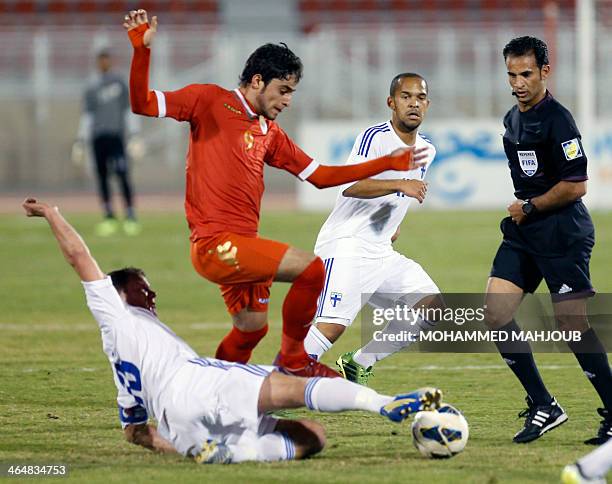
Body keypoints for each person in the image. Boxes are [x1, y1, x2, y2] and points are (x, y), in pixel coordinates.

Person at [22, 197, 443, 464]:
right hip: (200, 380)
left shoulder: (122, 364)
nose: (151, 291)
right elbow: (80, 258)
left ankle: (233, 452)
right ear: (122, 293)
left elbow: (135, 433)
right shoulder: (113, 312)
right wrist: (53, 214)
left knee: (312, 437)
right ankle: (383, 403)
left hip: (178, 423)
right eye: (142, 284)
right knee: (293, 388)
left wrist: (181, 444)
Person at [122, 10, 427, 378]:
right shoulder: (208, 100)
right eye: (283, 91)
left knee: (251, 329)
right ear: (256, 81)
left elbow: (322, 176)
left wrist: (386, 164)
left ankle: (216, 393)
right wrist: (141, 51)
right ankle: (296, 361)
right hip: (216, 244)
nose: (287, 101)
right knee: (310, 269)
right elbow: (143, 104)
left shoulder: (271, 134)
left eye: (292, 92)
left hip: (243, 248)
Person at [483, 36, 612, 444]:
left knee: (571, 326)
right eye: (511, 74)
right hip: (526, 232)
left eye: (526, 74)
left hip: (561, 232)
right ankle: (544, 404)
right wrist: (527, 213)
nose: (518, 82)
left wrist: (531, 208)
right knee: (495, 313)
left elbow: (577, 186)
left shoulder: (558, 120)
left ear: (544, 72)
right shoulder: (511, 119)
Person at [303, 73, 441, 385]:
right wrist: (400, 184)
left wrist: (392, 223)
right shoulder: (374, 138)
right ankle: (277, 386)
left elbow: (397, 198)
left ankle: (359, 362)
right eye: (406, 96)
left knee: (433, 309)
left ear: (428, 104)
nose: (413, 103)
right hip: (346, 244)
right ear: (391, 102)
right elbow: (349, 185)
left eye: (420, 98)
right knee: (331, 326)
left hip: (380, 251)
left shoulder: (427, 150)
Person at [73, 49, 142, 237]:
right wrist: (80, 140)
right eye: (101, 61)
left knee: (122, 173)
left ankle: (130, 215)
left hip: (116, 136)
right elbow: (88, 115)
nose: (104, 64)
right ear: (98, 63)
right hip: (98, 138)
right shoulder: (92, 87)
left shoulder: (119, 83)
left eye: (106, 60)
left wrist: (135, 134)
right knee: (102, 176)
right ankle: (108, 215)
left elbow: (128, 110)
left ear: (110, 61)